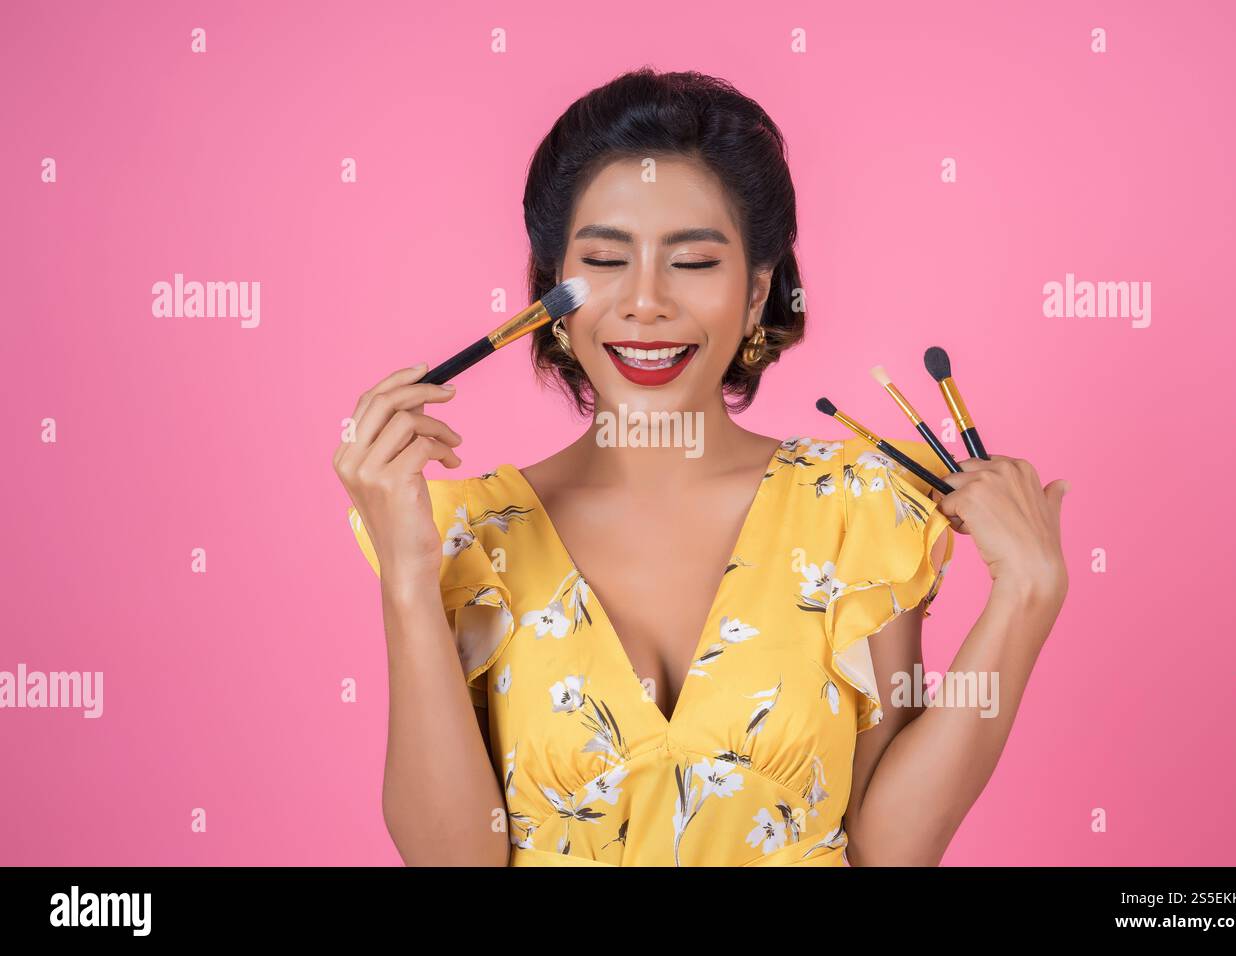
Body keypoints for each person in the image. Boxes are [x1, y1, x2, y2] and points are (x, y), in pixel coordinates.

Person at [333, 67, 1069, 866]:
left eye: (692, 263)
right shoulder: (465, 538)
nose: (645, 302)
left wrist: (1027, 595)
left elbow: (887, 851)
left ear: (757, 295)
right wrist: (406, 576)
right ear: (548, 297)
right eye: (606, 262)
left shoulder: (858, 511)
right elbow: (450, 861)